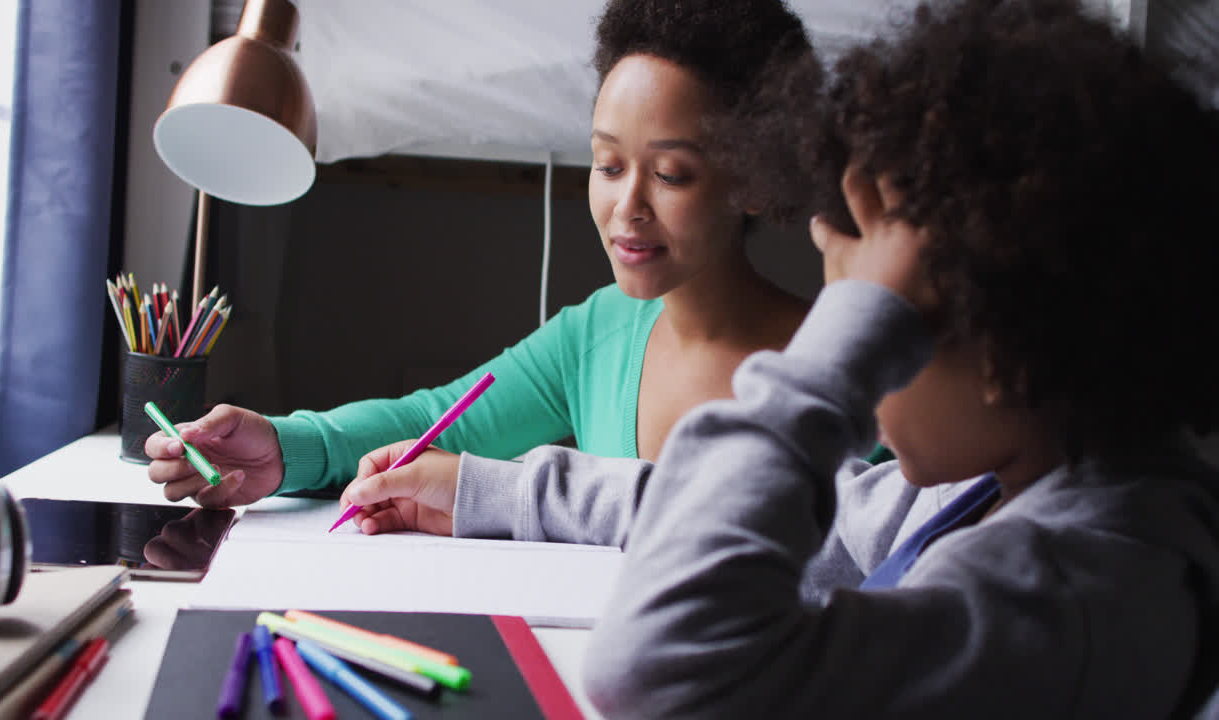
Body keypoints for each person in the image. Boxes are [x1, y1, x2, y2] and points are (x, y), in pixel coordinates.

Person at [353, 0, 1219, 715]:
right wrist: (487, 492)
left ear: (1000, 346)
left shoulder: (1078, 595)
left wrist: (836, 352)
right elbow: (817, 516)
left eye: (881, 324)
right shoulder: (1003, 490)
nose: (855, 353)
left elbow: (652, 670)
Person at [145, 0, 819, 519]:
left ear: (756, 180)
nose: (627, 206)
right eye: (607, 164)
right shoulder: (599, 335)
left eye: (671, 174)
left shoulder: (847, 368)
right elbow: (434, 420)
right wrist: (282, 448)